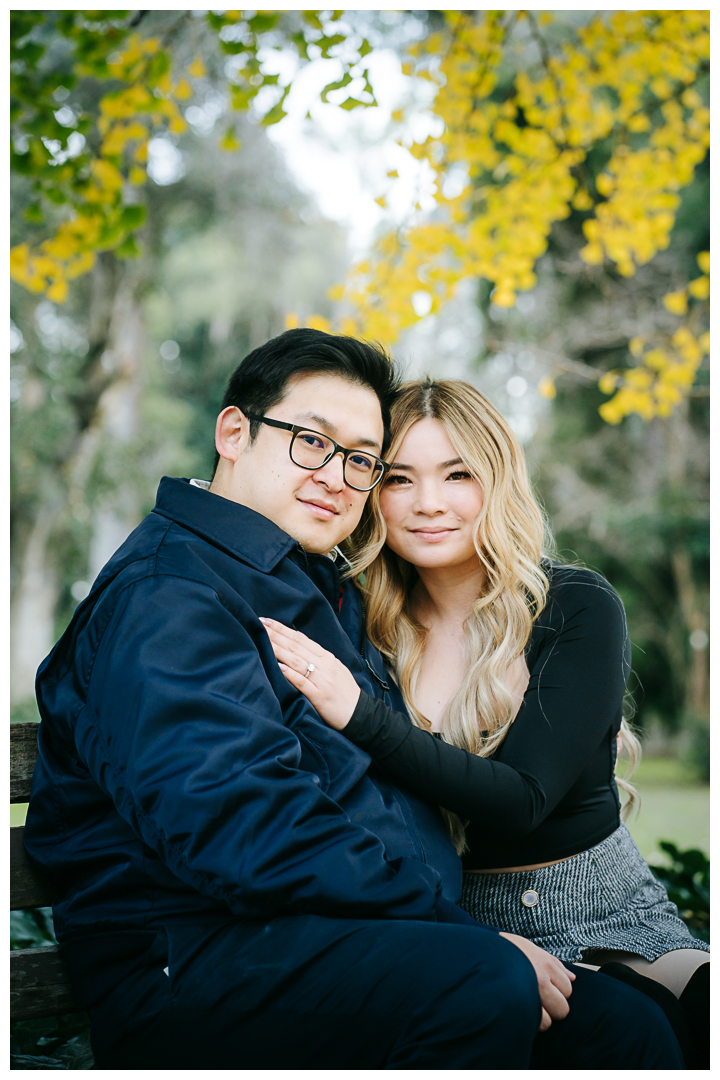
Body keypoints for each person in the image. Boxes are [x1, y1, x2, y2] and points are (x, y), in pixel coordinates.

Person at [25, 334, 683, 1070]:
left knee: (621, 1029)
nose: (337, 476)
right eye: (312, 441)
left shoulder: (313, 588)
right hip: (188, 958)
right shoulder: (171, 595)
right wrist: (454, 929)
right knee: (485, 982)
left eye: (361, 459)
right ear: (234, 433)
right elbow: (247, 827)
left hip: (323, 937)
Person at [264, 375, 709, 1068]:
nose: (428, 503)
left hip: (604, 903)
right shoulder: (357, 623)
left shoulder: (576, 607)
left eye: (457, 474)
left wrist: (360, 716)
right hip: (460, 919)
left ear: (496, 479)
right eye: (399, 478)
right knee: (625, 1032)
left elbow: (522, 799)